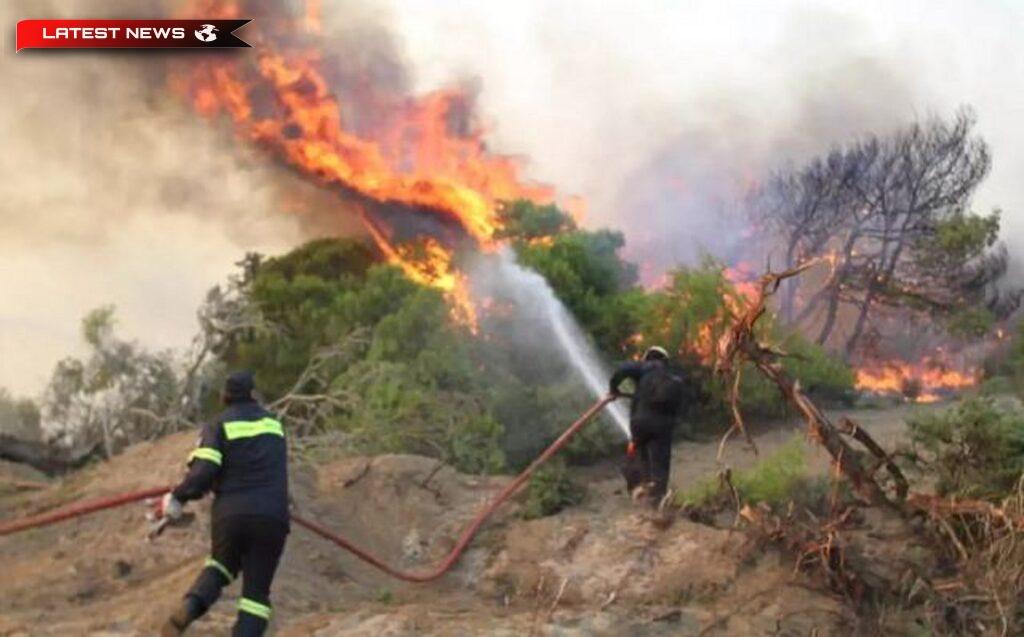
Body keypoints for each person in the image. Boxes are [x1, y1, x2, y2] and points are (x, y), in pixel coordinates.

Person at [157, 371, 290, 637]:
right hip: (272, 515)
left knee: (220, 565)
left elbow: (204, 471)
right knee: (255, 595)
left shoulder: (218, 425)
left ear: (225, 396)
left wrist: (178, 497)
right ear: (253, 394)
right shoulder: (275, 425)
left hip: (231, 514)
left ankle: (190, 607)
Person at [609, 346, 686, 505]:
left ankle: (639, 488)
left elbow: (622, 369)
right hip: (662, 427)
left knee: (638, 455)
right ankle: (658, 499)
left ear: (648, 357)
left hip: (639, 423)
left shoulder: (645, 367)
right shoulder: (671, 377)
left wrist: (613, 388)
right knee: (660, 463)